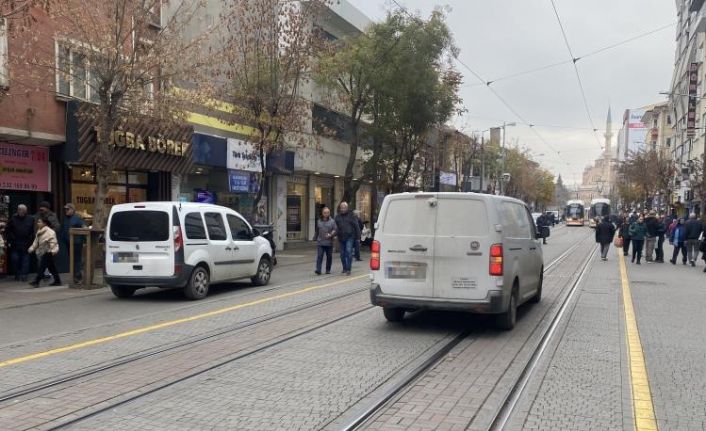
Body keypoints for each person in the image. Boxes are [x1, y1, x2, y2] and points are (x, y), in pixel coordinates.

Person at [4, 204, 35, 281]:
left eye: (22, 210)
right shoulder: (13, 219)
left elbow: (32, 231)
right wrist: (10, 239)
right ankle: (17, 273)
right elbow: (8, 229)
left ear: (25, 211)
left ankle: (24, 275)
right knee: (15, 259)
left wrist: (30, 240)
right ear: (17, 210)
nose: (21, 211)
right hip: (15, 243)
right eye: (19, 209)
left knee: (25, 260)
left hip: (26, 243)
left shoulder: (31, 219)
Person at [28, 215, 61, 287]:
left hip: (48, 251)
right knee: (52, 268)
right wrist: (31, 248)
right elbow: (36, 242)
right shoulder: (39, 231)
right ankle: (57, 281)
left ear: (45, 223)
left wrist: (52, 251)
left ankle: (36, 282)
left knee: (42, 267)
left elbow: (54, 242)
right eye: (38, 222)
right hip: (42, 252)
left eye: (39, 222)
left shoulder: (50, 232)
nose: (38, 223)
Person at [61, 203, 87, 283]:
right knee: (72, 259)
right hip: (68, 242)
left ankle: (78, 276)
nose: (66, 211)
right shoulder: (66, 218)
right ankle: (75, 276)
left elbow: (84, 227)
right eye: (65, 209)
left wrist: (85, 240)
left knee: (76, 259)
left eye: (67, 209)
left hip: (76, 242)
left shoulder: (77, 218)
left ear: (72, 210)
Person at [334, 202, 360, 276]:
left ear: (347, 208)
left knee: (348, 251)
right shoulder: (337, 217)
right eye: (341, 207)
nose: (343, 209)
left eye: (344, 207)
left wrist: (358, 237)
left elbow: (356, 226)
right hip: (341, 237)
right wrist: (334, 234)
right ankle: (344, 268)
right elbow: (335, 227)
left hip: (350, 236)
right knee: (342, 254)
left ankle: (348, 269)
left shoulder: (351, 216)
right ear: (340, 208)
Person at [313, 206, 336, 275]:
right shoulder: (318, 221)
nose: (326, 214)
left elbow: (335, 230)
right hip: (320, 242)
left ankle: (328, 269)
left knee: (329, 256)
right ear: (322, 213)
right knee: (319, 256)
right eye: (325, 213)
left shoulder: (332, 221)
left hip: (329, 242)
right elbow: (317, 230)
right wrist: (315, 237)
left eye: (327, 213)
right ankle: (318, 270)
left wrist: (331, 235)